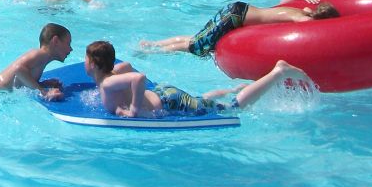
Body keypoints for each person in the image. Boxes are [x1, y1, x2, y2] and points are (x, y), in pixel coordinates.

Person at [84, 40, 313, 118]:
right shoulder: (113, 73)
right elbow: (128, 67)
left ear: (93, 65)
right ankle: (232, 89)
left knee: (233, 109)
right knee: (201, 100)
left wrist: (133, 110)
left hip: (170, 103)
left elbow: (139, 78)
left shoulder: (107, 82)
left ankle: (278, 72)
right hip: (165, 93)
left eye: (85, 59)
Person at [140, 0, 341, 56]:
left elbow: (304, 5)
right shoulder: (305, 20)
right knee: (198, 48)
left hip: (240, 9)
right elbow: (309, 31)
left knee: (198, 37)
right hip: (236, 16)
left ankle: (154, 44)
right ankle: (155, 51)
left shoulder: (304, 11)